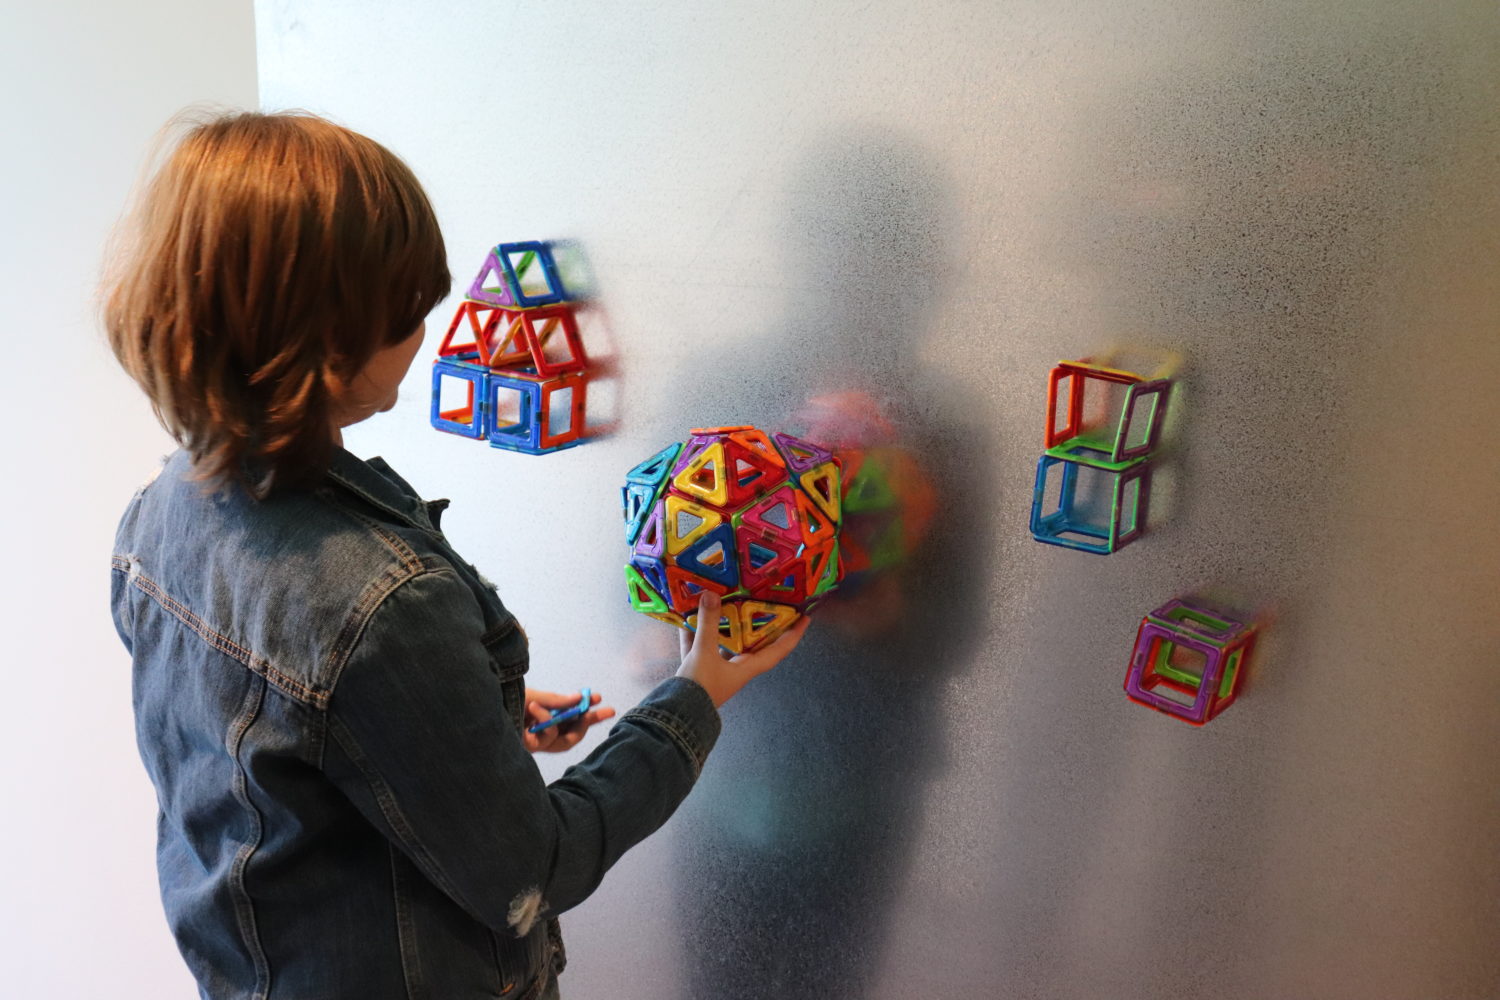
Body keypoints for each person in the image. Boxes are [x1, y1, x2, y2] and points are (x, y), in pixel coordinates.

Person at [102, 109, 809, 1000]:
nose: (434, 335)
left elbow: (278, 749)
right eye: (412, 311)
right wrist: (693, 700)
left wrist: (457, 723)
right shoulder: (381, 607)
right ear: (327, 343)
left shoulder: (156, 517)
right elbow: (535, 872)